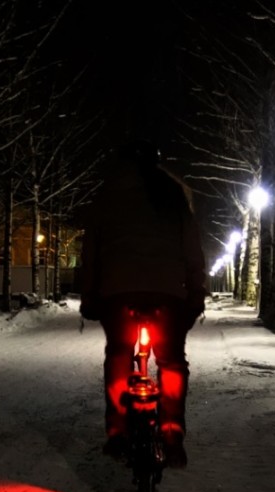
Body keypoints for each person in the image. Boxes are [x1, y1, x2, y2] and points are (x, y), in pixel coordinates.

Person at [78, 140, 207, 468]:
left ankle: (117, 432)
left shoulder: (106, 196)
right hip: (167, 293)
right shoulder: (172, 192)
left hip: (118, 291)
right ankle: (173, 433)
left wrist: (90, 295)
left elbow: (90, 251)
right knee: (172, 362)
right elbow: (193, 247)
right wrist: (195, 294)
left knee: (119, 354)